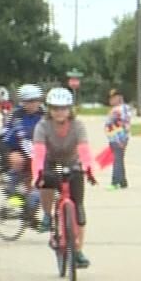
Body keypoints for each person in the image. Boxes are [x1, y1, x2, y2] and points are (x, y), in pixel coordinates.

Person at [31, 87, 97, 268]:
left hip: (72, 163)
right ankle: (47, 215)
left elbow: (84, 149)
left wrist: (89, 169)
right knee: (45, 182)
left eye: (63, 108)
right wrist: (37, 174)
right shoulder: (42, 126)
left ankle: (78, 251)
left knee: (78, 208)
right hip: (51, 162)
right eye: (55, 108)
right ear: (49, 110)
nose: (59, 112)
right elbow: (38, 153)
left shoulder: (78, 126)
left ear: (70, 109)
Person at [0, 85, 46, 222]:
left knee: (36, 181)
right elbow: (19, 137)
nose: (33, 104)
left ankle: (29, 211)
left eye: (36, 100)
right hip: (12, 146)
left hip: (32, 148)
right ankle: (11, 189)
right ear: (23, 102)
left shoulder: (44, 114)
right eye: (29, 101)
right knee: (19, 161)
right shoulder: (16, 116)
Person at [104, 89, 132, 189]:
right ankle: (123, 181)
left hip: (118, 138)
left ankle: (115, 182)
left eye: (113, 98)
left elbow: (122, 125)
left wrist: (121, 140)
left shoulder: (120, 110)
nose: (111, 100)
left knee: (117, 160)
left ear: (119, 98)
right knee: (119, 159)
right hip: (114, 138)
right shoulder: (116, 109)